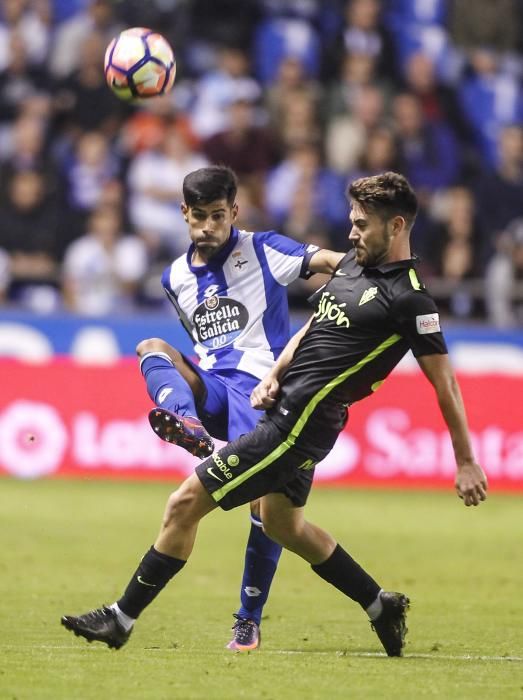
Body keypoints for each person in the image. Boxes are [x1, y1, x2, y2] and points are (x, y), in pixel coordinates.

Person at [62, 171, 488, 657]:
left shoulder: (410, 299)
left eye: (361, 225)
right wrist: (274, 372)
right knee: (285, 526)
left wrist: (466, 460)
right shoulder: (354, 270)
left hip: (297, 425)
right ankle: (379, 604)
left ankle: (121, 618)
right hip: (284, 405)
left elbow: (445, 382)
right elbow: (313, 328)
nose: (351, 234)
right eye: (351, 222)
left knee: (185, 503)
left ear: (395, 226)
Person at [126, 165, 343, 651]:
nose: (208, 227)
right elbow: (200, 339)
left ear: (235, 212)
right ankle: (184, 421)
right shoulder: (174, 277)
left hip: (264, 389)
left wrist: (353, 274)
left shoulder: (264, 248)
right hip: (214, 389)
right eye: (198, 216)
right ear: (183, 213)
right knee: (152, 346)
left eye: (218, 216)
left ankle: (248, 617)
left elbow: (328, 260)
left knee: (268, 510)